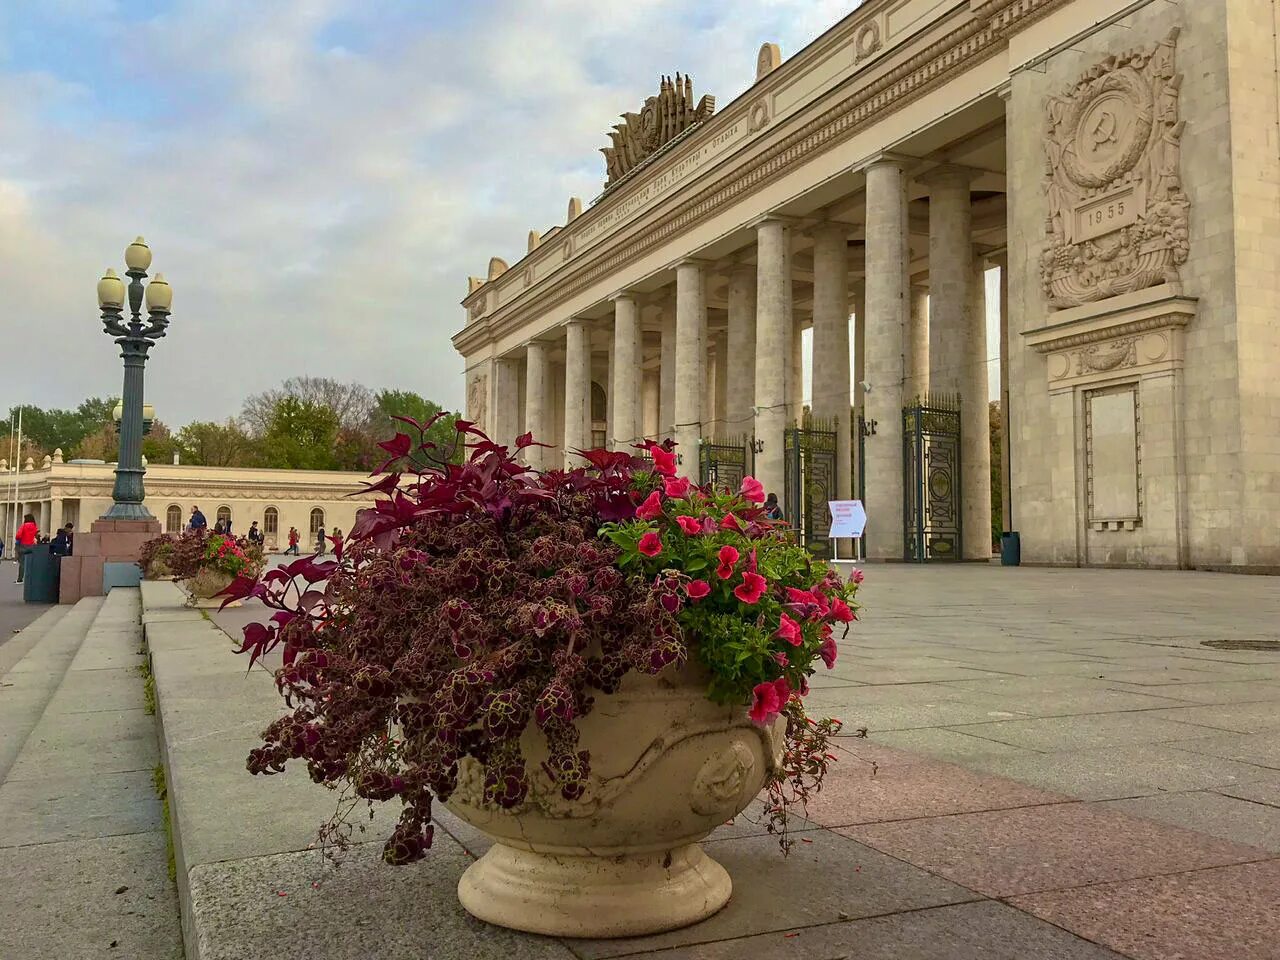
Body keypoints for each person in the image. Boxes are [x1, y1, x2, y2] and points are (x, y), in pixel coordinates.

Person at [14, 513, 38, 583]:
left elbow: (18, 536)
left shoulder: (24, 526)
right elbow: (36, 535)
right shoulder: (34, 526)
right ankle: (32, 578)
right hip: (32, 547)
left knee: (22, 564)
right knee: (32, 563)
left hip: (23, 546)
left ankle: (20, 579)